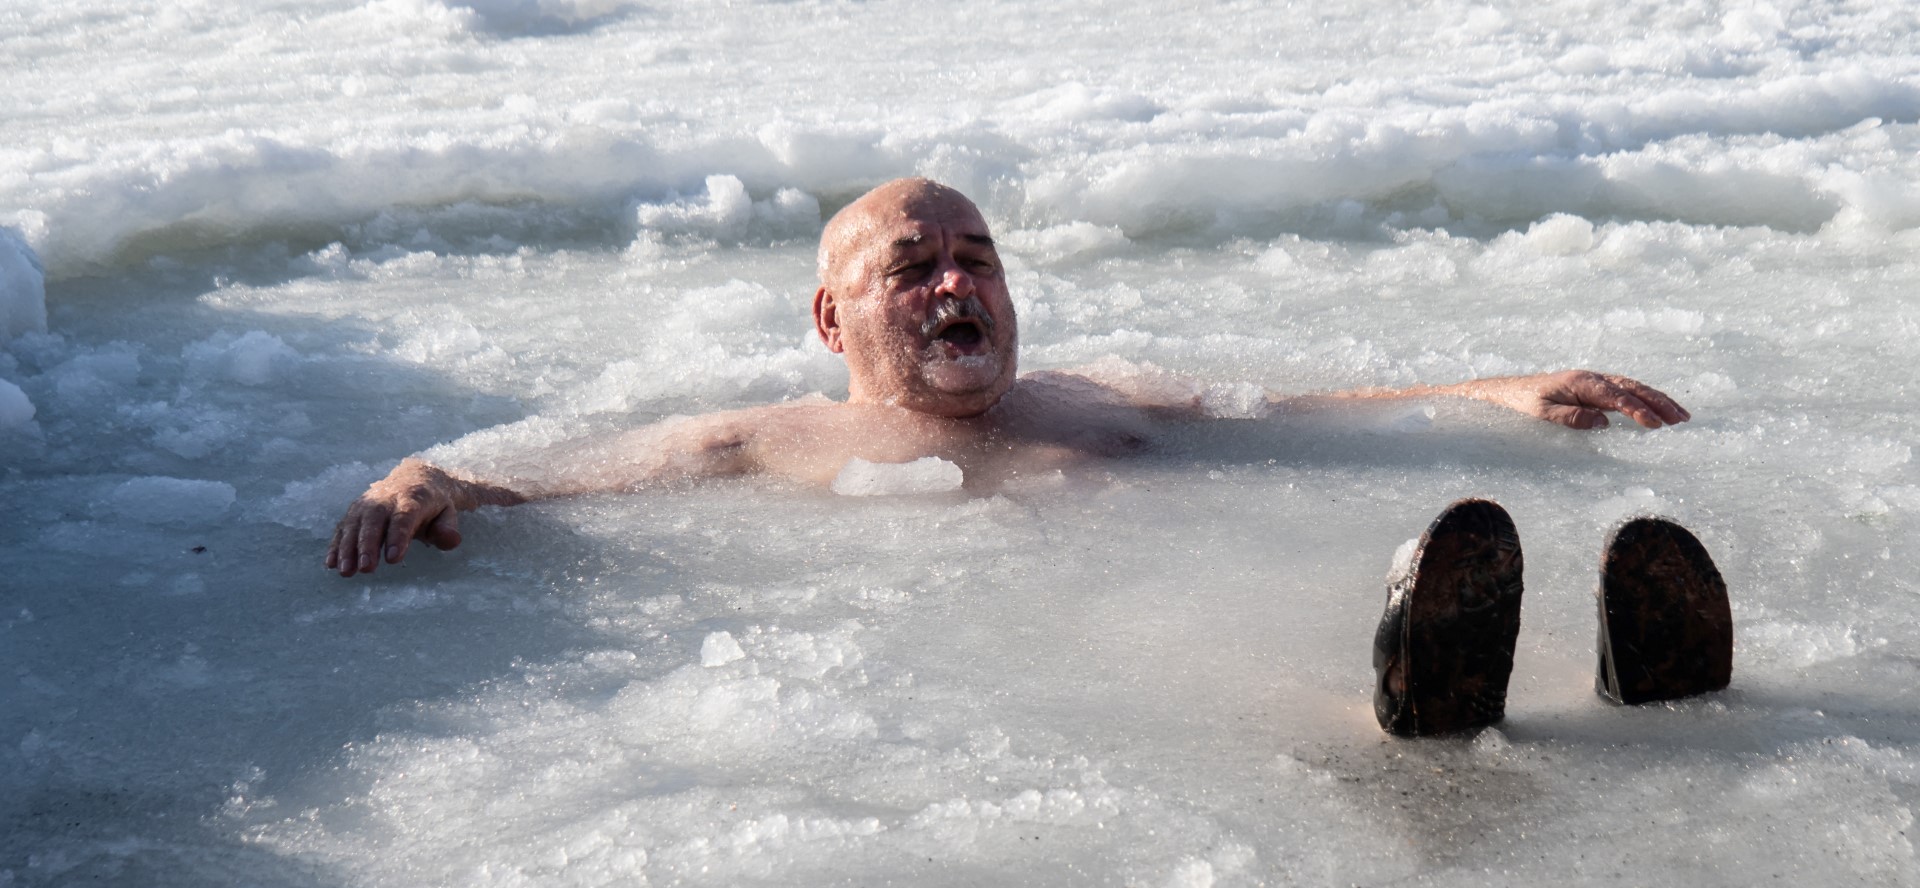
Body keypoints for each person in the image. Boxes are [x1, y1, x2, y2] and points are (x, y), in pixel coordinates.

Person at [326, 178, 1721, 735]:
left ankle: (1563, 679)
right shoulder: (767, 438)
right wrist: (434, 479)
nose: (955, 288)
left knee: (1223, 603)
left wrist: (1492, 388)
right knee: (1166, 652)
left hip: (1169, 567)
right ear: (832, 317)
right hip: (1053, 654)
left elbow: (1289, 409)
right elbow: (565, 481)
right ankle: (1395, 709)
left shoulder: (1097, 396)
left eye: (976, 261)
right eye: (913, 267)